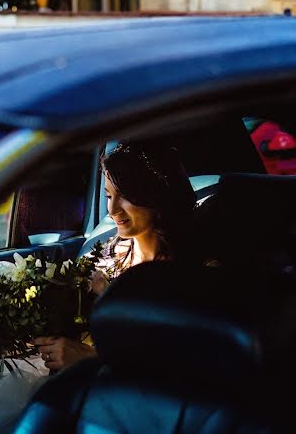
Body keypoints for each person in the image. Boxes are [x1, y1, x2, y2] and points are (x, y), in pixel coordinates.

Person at [34, 141, 198, 371]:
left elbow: (181, 360)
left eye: (125, 196)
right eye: (109, 196)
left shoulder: (191, 274)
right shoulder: (106, 257)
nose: (112, 211)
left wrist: (94, 359)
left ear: (154, 196)